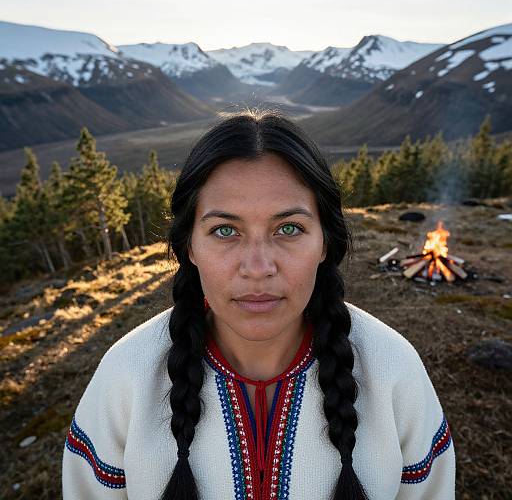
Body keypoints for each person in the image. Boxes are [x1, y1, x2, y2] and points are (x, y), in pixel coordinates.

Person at [62, 109, 456, 500]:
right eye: (224, 230)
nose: (258, 268)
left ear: (324, 243)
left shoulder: (393, 368)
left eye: (288, 228)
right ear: (190, 247)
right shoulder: (126, 375)